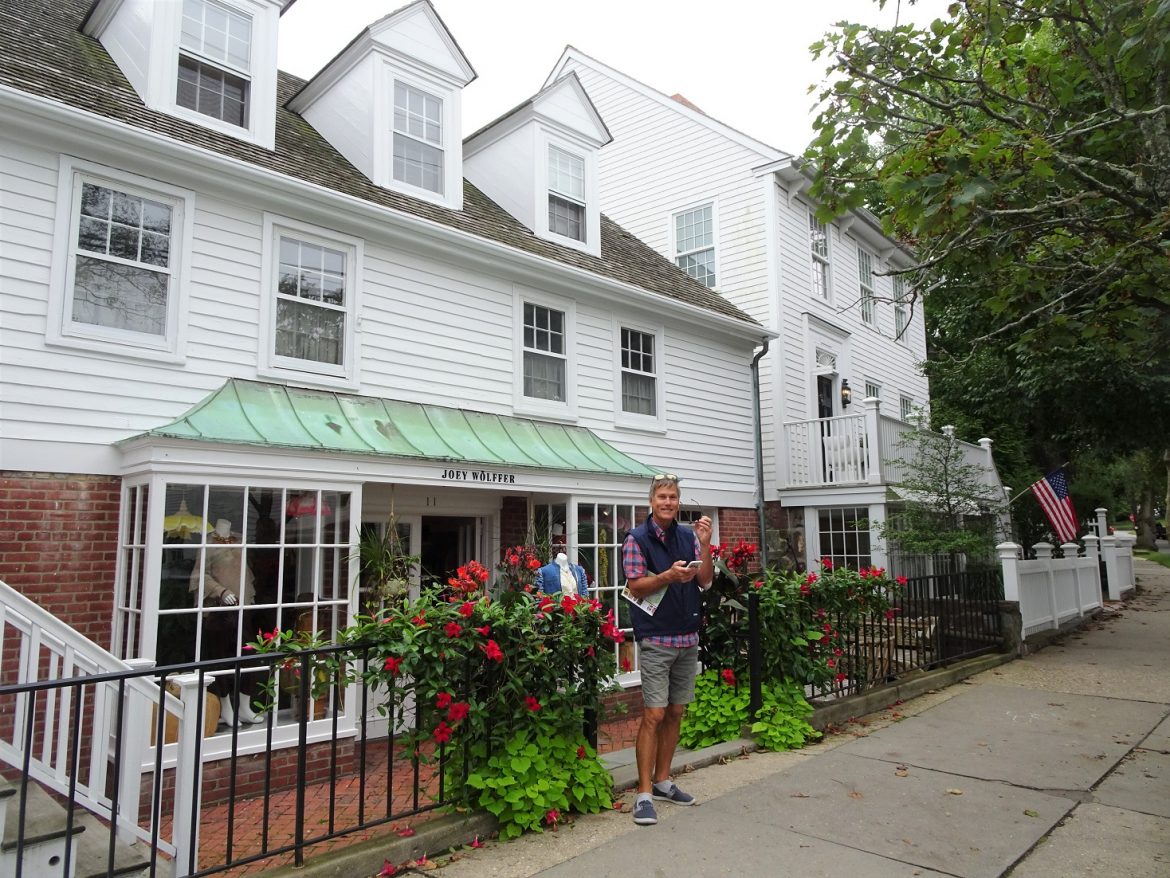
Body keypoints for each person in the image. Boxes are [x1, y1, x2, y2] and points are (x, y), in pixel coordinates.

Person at [621, 473, 713, 826]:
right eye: (662, 496)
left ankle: (663, 781)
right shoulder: (636, 539)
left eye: (673, 497)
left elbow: (705, 580)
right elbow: (636, 586)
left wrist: (704, 545)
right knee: (654, 715)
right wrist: (667, 576)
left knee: (676, 712)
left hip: (686, 636)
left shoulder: (688, 536)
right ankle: (643, 793)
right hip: (657, 638)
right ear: (652, 501)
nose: (668, 502)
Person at [190, 518, 263, 726]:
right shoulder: (207, 543)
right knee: (220, 658)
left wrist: (249, 597)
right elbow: (199, 575)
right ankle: (225, 707)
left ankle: (245, 706)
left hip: (244, 607)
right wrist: (220, 591)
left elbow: (246, 572)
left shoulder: (240, 539)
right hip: (219, 610)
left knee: (250, 655)